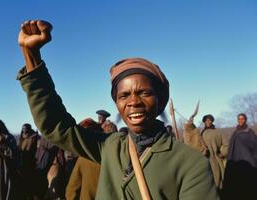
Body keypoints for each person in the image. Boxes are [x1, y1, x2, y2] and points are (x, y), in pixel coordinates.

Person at [17, 20, 219, 200]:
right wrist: (31, 55)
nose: (133, 102)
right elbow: (57, 126)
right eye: (124, 95)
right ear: (117, 104)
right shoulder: (110, 147)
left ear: (160, 101)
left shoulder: (191, 163)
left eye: (144, 93)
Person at [222, 113, 257, 200]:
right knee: (236, 181)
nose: (240, 120)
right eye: (239, 119)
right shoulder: (235, 132)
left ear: (245, 120)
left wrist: (254, 158)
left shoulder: (250, 132)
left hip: (248, 160)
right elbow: (231, 147)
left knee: (248, 181)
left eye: (242, 119)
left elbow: (255, 146)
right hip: (235, 160)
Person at [0, 120, 20, 200]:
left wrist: (4, 147)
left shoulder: (9, 137)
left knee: (5, 187)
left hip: (6, 165)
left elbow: (13, 152)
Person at [200, 115, 226, 190]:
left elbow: (226, 144)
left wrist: (222, 154)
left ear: (212, 121)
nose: (208, 122)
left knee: (218, 180)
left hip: (216, 159)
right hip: (205, 159)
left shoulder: (218, 131)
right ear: (204, 122)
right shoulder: (201, 133)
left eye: (210, 120)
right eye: (206, 120)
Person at [18, 123, 39, 199]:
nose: (24, 130)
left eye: (26, 128)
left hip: (30, 163)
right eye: (23, 128)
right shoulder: (21, 138)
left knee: (29, 181)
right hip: (21, 162)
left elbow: (32, 149)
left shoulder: (33, 137)